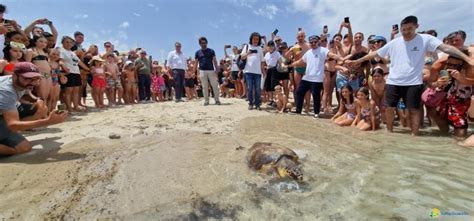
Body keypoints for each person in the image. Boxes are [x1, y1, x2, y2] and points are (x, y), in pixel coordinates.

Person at [346, 15, 474, 136]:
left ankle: (415, 134)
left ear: (416, 26)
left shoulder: (425, 39)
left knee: (414, 109)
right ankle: (389, 132)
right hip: (393, 81)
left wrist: (467, 59)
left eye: (409, 29)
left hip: (414, 82)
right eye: (403, 30)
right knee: (389, 108)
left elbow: (446, 48)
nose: (406, 32)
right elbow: (374, 54)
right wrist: (356, 61)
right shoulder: (394, 42)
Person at [0, 62, 67, 155]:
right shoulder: (5, 91)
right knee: (23, 147)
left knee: (37, 109)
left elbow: (26, 94)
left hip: (3, 113)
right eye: (28, 78)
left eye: (36, 78)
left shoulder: (19, 82)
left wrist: (37, 100)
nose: (33, 82)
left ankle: (8, 132)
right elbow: (12, 124)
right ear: (14, 76)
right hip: (7, 117)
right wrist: (48, 121)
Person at [289, 35, 344, 118]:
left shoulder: (323, 50)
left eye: (315, 42)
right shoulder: (308, 52)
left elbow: (332, 55)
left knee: (316, 96)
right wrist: (291, 65)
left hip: (317, 79)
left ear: (318, 42)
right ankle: (298, 110)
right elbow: (300, 61)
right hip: (306, 78)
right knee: (299, 92)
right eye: (311, 42)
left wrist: (341, 58)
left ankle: (316, 112)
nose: (313, 43)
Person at [59, 36, 90, 112]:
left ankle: (76, 106)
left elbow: (79, 63)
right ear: (62, 43)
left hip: (76, 73)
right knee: (68, 91)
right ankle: (69, 108)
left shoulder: (72, 53)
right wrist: (63, 66)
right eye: (66, 42)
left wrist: (89, 69)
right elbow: (60, 61)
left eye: (70, 42)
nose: (69, 44)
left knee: (76, 91)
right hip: (69, 73)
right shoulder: (61, 50)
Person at [241, 32, 265, 110]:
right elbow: (242, 57)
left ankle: (257, 104)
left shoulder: (260, 49)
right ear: (251, 39)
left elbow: (262, 61)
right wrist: (248, 52)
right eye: (254, 39)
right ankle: (250, 103)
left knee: (258, 89)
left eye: (257, 39)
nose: (255, 40)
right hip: (248, 72)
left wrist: (263, 71)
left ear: (259, 40)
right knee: (249, 88)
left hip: (258, 72)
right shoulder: (247, 46)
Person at [194, 37, 220, 106]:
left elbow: (214, 60)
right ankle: (206, 101)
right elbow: (196, 63)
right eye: (202, 43)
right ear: (200, 44)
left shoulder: (211, 51)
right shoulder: (197, 52)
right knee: (204, 86)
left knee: (214, 86)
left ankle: (217, 100)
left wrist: (217, 69)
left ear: (207, 43)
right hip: (202, 71)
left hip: (211, 70)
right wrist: (194, 72)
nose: (204, 44)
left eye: (205, 43)